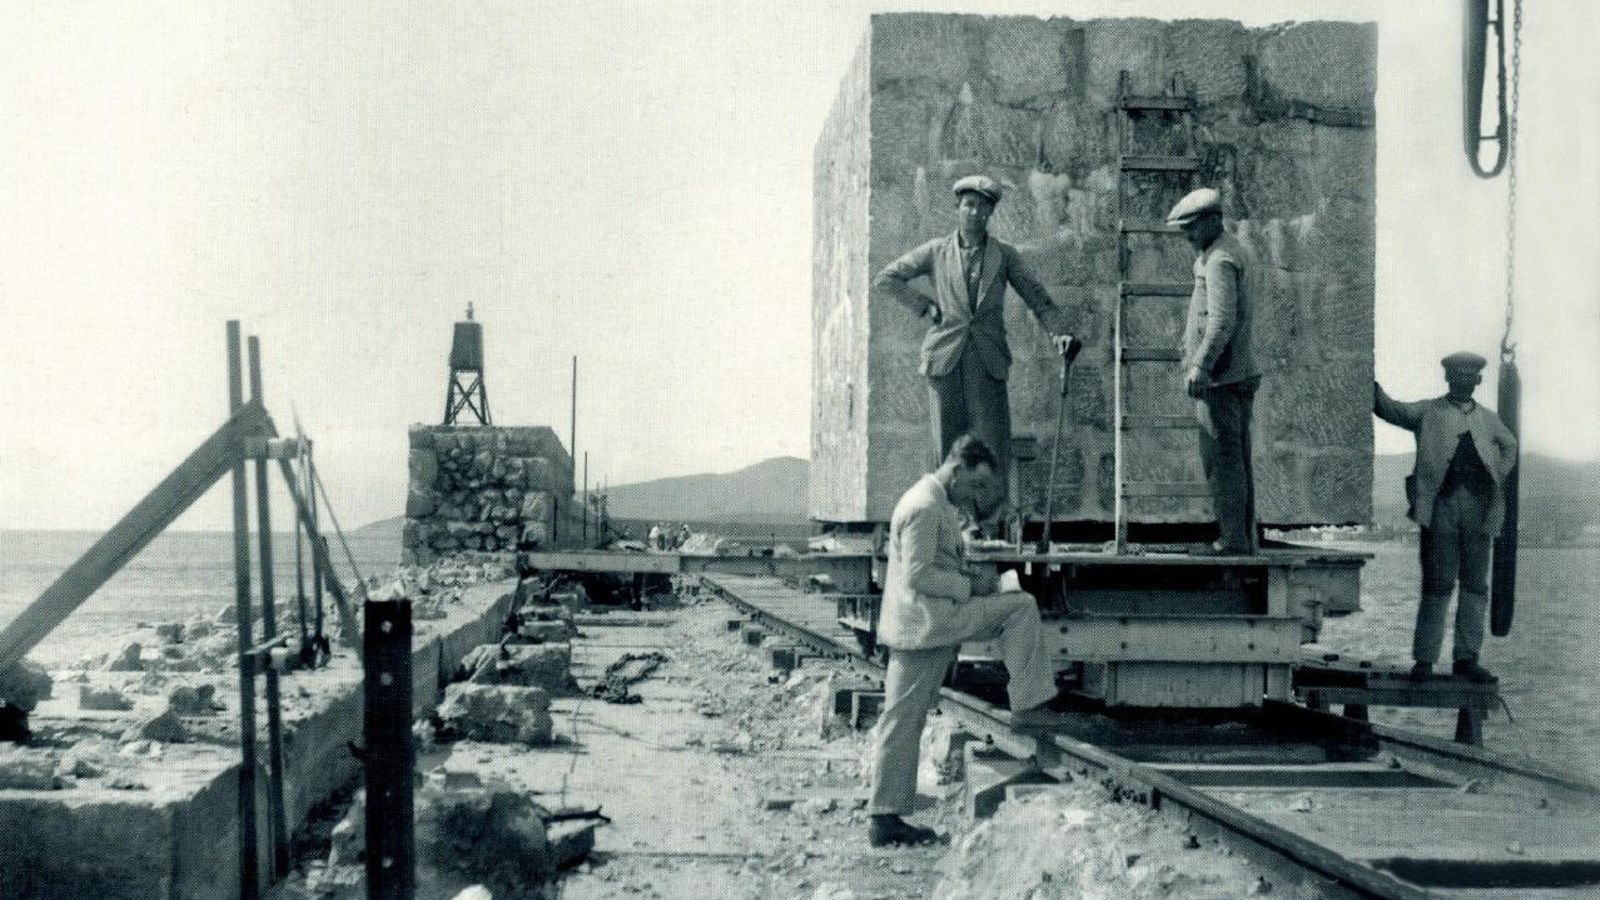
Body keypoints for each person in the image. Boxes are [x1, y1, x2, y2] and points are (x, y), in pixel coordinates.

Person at [866, 434, 1058, 847]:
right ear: (956, 470)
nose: (975, 496)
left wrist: (971, 579)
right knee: (1021, 608)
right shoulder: (924, 506)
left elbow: (931, 564)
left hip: (928, 621)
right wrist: (970, 586)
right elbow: (918, 575)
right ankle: (1029, 707)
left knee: (902, 718)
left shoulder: (932, 501)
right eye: (974, 484)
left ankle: (885, 816)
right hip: (928, 625)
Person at [874, 175, 1077, 483]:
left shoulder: (1004, 255)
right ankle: (949, 511)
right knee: (947, 450)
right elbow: (886, 278)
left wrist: (1058, 332)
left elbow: (1037, 298)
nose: (975, 213)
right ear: (957, 207)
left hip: (987, 362)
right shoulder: (935, 251)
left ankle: (988, 511)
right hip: (944, 361)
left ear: (991, 212)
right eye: (969, 205)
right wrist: (925, 307)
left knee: (991, 449)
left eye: (983, 207)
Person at [1374, 352, 1518, 684]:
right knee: (1437, 584)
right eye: (1458, 375)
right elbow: (1390, 409)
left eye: (1470, 376)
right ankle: (1424, 660)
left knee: (1475, 585)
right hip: (1441, 509)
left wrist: (1496, 473)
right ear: (1447, 378)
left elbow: (1510, 446)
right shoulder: (1427, 411)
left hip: (1480, 511)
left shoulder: (1489, 420)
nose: (1464, 380)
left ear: (1478, 380)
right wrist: (1370, 388)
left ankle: (1466, 659)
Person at [1167, 187, 1260, 555]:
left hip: (1222, 377)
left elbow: (1222, 321)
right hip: (1232, 373)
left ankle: (1233, 540)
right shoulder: (1225, 250)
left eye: (1191, 227)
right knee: (1235, 460)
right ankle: (1241, 538)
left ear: (1212, 221)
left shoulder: (1220, 258)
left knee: (1222, 462)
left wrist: (1200, 365)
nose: (1187, 236)